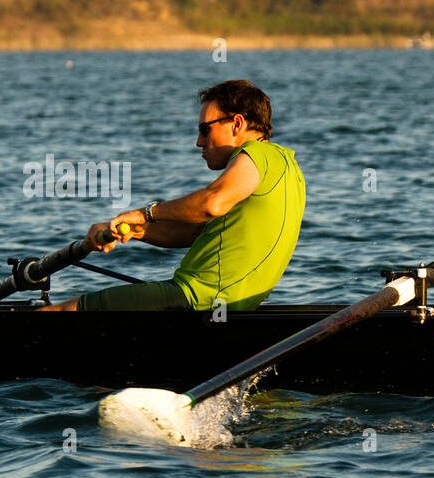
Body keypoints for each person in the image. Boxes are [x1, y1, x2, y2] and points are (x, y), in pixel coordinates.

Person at [43, 79, 305, 311]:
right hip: (219, 305)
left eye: (205, 130)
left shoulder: (261, 156)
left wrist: (146, 213)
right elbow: (193, 233)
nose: (199, 142)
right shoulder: (287, 169)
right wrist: (134, 229)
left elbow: (211, 203)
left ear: (237, 124)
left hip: (195, 297)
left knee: (59, 314)